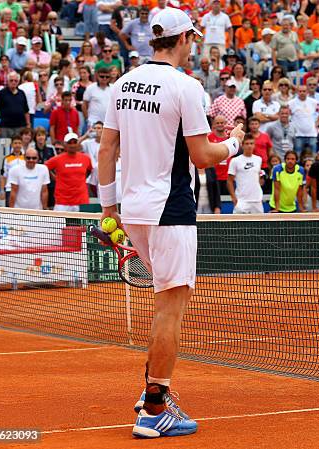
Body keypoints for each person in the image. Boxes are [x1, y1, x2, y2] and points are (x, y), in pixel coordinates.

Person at [97, 8, 245, 438]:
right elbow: (202, 156)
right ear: (184, 40)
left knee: (164, 307)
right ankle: (155, 407)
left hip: (134, 211)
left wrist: (108, 209)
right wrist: (233, 144)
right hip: (172, 208)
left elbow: (107, 150)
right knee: (169, 310)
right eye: (193, 38)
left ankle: (150, 396)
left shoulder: (123, 84)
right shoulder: (187, 86)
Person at [45, 133, 93, 211]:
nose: (72, 145)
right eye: (69, 143)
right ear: (65, 144)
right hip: (62, 201)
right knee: (59, 223)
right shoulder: (57, 159)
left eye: (75, 142)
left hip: (81, 200)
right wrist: (54, 178)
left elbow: (89, 170)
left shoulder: (86, 158)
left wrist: (82, 178)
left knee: (82, 223)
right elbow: (45, 167)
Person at [227, 133, 264, 214]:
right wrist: (234, 199)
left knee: (259, 226)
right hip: (241, 201)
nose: (249, 146)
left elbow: (258, 177)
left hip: (257, 200)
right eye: (247, 144)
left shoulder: (258, 159)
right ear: (242, 145)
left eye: (251, 143)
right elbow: (229, 181)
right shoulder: (235, 161)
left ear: (254, 145)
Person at [0, 71, 30, 138]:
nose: (13, 82)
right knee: (4, 147)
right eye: (11, 80)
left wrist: (28, 124)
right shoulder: (1, 93)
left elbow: (26, 111)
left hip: (20, 127)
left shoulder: (22, 93)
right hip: (5, 127)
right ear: (7, 81)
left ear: (18, 82)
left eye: (15, 80)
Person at [288, 84, 319, 154]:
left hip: (312, 134)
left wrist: (318, 123)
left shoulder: (314, 102)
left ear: (307, 92)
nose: (302, 93)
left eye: (304, 91)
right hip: (298, 134)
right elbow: (287, 114)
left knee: (313, 156)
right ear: (297, 92)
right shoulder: (291, 103)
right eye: (300, 91)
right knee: (298, 156)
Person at [0, 135, 25, 206]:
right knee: (9, 213)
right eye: (15, 143)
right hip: (9, 189)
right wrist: (2, 191)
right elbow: (3, 176)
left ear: (22, 145)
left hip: (23, 189)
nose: (17, 145)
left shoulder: (26, 158)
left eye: (19, 143)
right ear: (12, 145)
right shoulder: (7, 159)